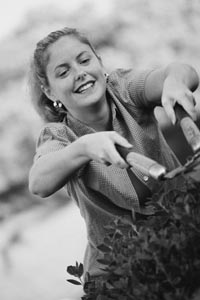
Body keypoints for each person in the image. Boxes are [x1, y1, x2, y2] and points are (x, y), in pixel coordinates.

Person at [28, 27, 199, 279]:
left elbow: (179, 72)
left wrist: (174, 82)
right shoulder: (58, 136)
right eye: (63, 72)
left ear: (99, 62)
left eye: (84, 60)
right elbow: (38, 183)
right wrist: (84, 148)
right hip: (120, 274)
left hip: (186, 233)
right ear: (50, 91)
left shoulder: (123, 89)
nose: (80, 73)